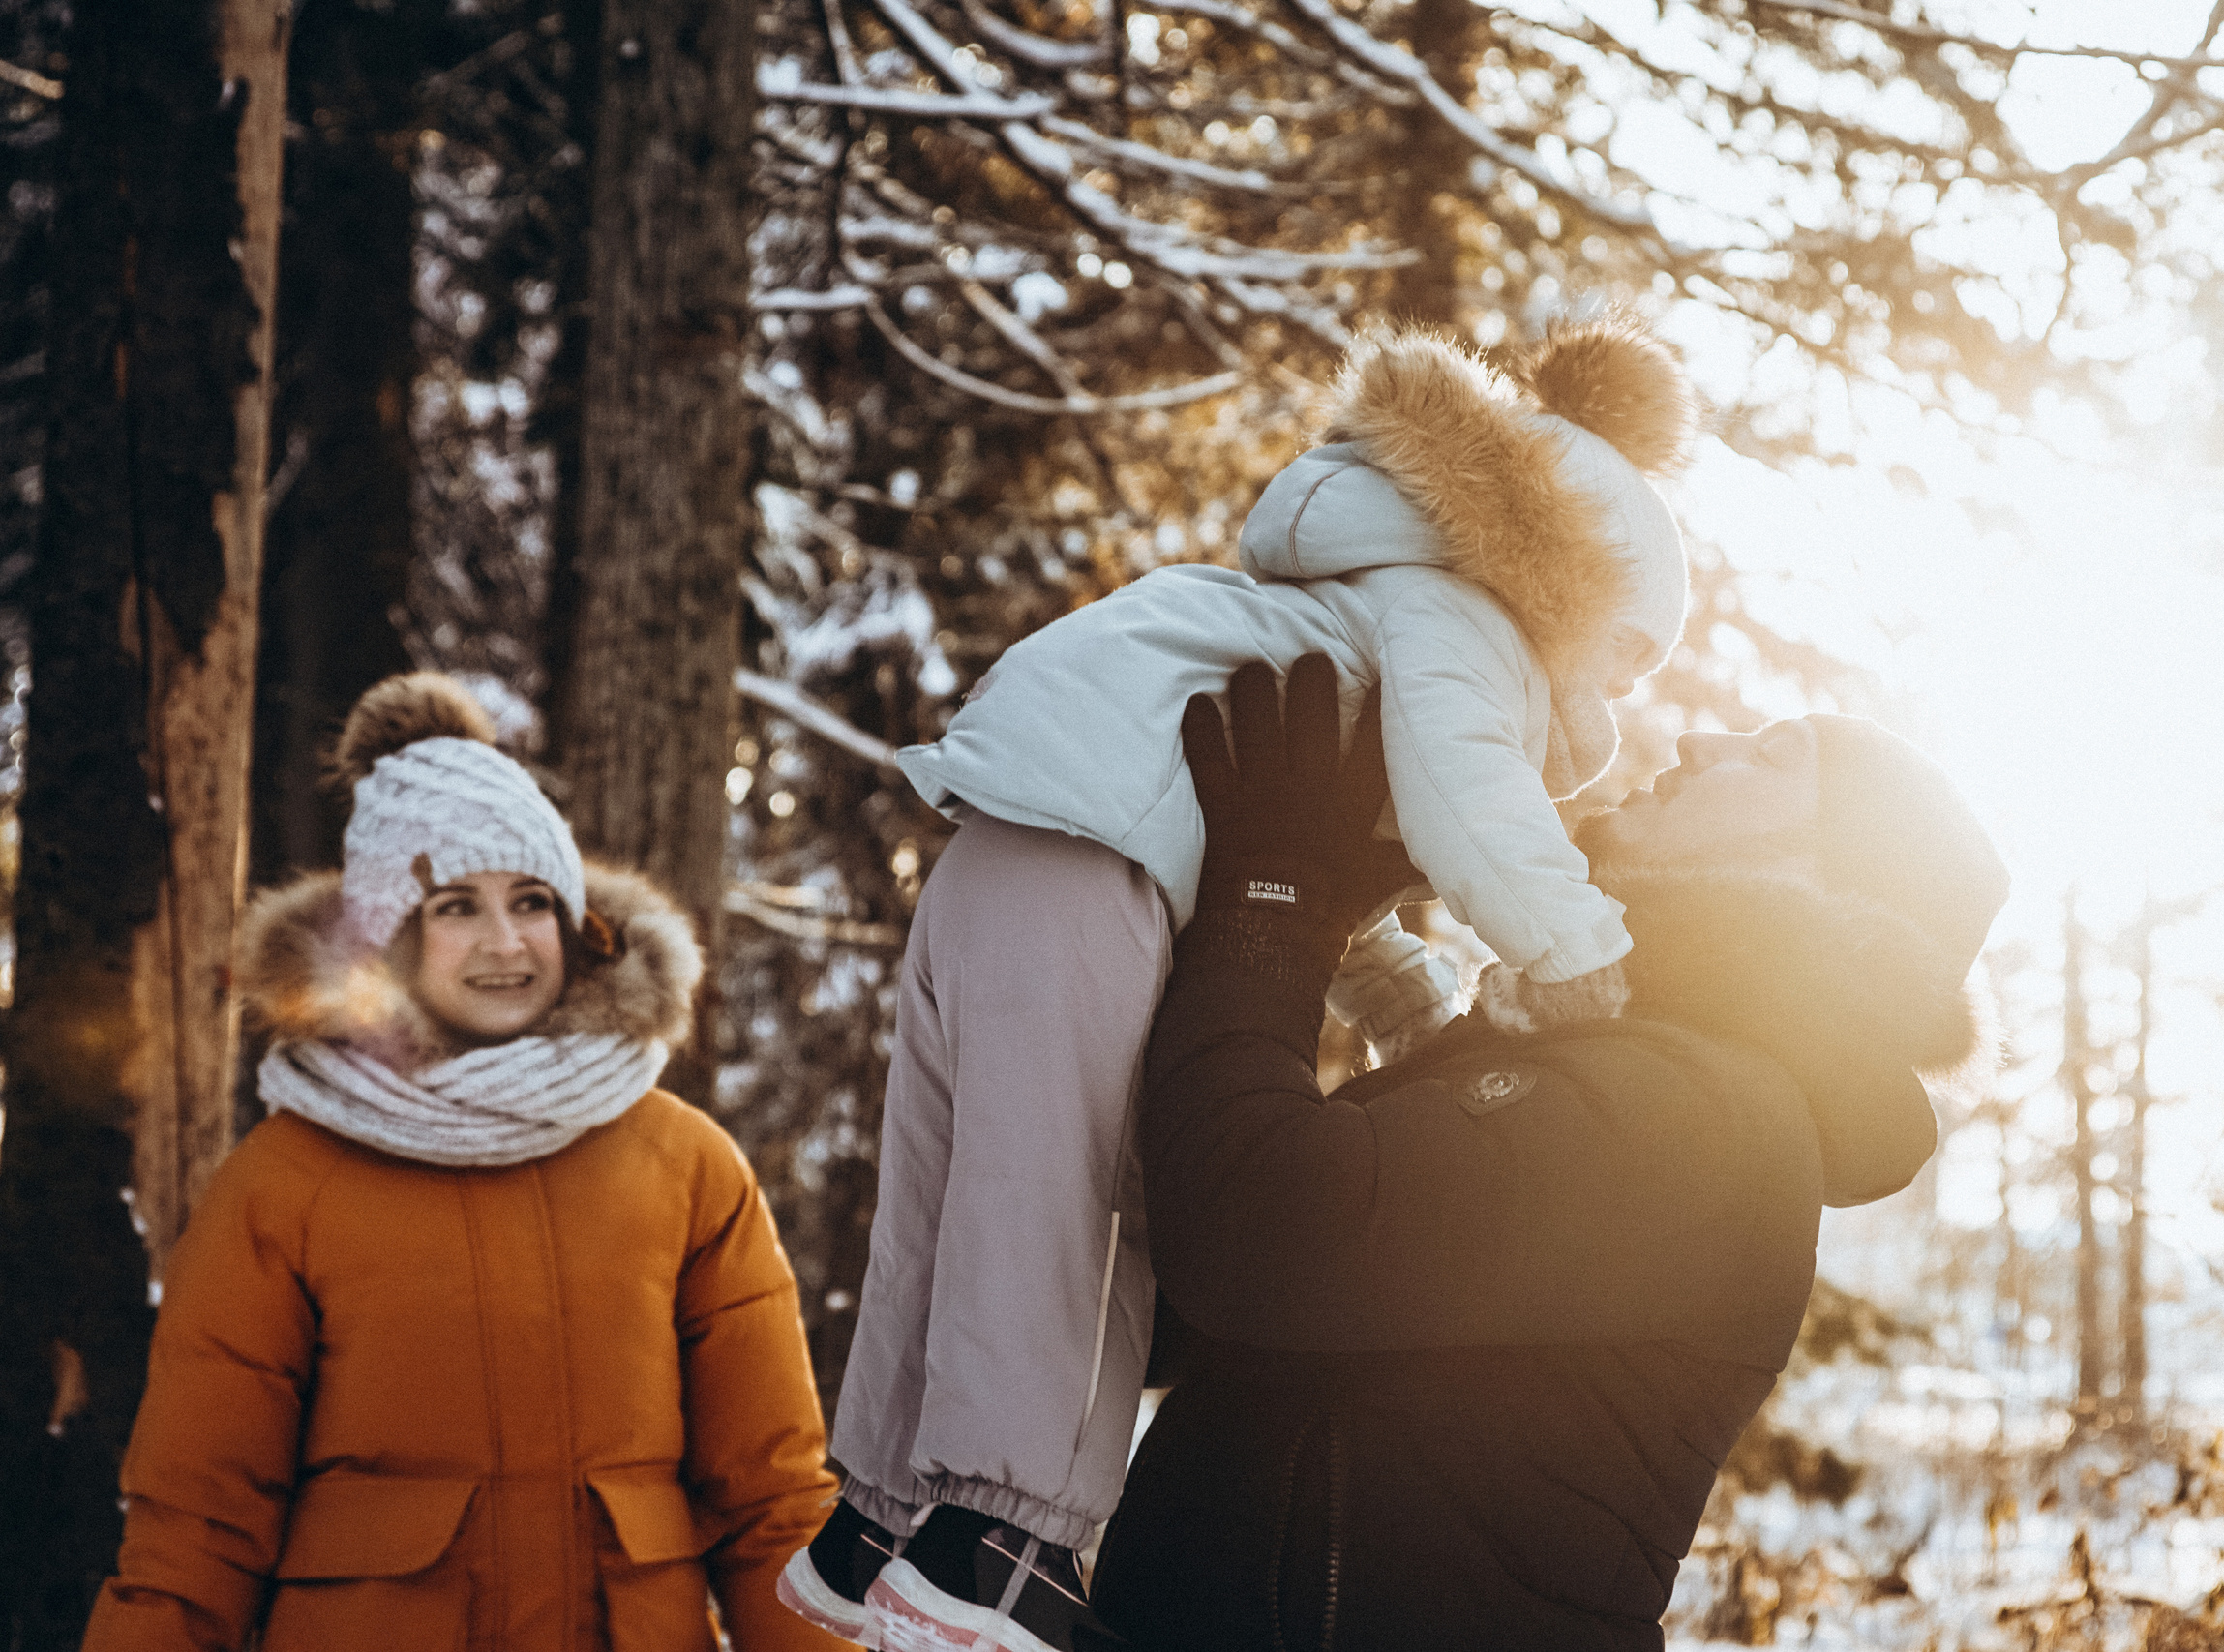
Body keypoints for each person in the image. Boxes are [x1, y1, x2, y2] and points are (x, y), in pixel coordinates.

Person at [786, 319, 1705, 1651]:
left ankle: (872, 1521)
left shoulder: (1355, 600)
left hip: (1004, 848)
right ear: (1567, 578)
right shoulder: (1468, 619)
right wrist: (1578, 950)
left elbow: (1302, 865)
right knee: (1081, 1205)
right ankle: (997, 1545)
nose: (1617, 688)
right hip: (1100, 870)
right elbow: (1469, 797)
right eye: (1628, 650)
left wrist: (1400, 996)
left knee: (953, 1199)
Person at [1084, 657, 2008, 1651]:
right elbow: (1176, 1314)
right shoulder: (1619, 1075)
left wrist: (1271, 900)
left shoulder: (1712, 1122)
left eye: (1768, 759)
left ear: (1824, 882)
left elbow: (1257, 1233)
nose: (1703, 742)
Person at [80, 675, 843, 1652]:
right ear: (389, 937)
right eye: (455, 906)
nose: (504, 943)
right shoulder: (285, 1184)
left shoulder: (683, 1165)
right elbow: (195, 1533)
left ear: (576, 922)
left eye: (532, 901)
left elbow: (772, 1507)